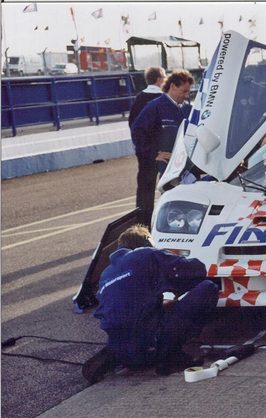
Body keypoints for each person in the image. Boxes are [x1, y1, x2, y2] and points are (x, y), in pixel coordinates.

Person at [82, 224, 219, 384]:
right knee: (208, 287)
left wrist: (160, 304)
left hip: (123, 350)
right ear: (147, 241)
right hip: (154, 342)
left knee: (134, 328)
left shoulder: (106, 274)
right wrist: (177, 284)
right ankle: (172, 355)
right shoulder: (146, 254)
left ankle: (122, 353)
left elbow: (126, 307)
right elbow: (197, 269)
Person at [131, 69, 194, 227]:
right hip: (163, 165)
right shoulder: (155, 107)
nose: (186, 95)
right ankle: (147, 229)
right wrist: (153, 153)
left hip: (181, 165)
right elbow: (137, 131)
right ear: (173, 86)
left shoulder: (185, 109)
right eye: (184, 91)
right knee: (158, 199)